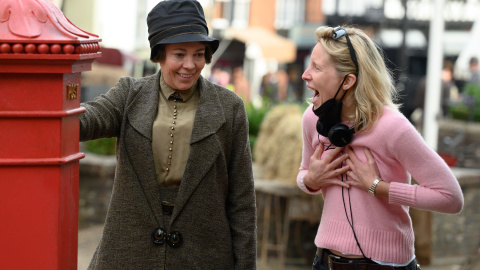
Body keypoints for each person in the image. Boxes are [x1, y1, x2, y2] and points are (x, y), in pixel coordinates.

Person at [79, 1, 256, 269]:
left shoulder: (230, 107)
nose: (190, 65)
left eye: (199, 54)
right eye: (179, 54)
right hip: (129, 252)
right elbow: (87, 120)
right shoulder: (129, 94)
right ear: (159, 54)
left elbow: (242, 200)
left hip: (204, 253)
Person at [297, 25, 464, 270]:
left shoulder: (393, 127)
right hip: (325, 262)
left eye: (317, 67)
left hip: (387, 265)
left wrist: (378, 187)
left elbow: (451, 198)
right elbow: (303, 175)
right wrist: (312, 178)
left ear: (348, 81)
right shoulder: (313, 120)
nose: (305, 74)